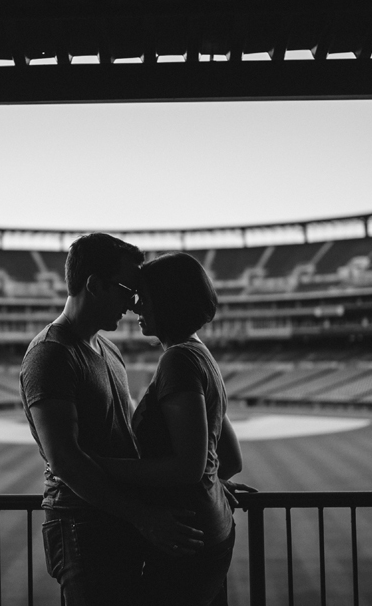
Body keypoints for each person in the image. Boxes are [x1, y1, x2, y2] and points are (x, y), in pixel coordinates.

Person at [20, 233, 205, 606]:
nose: (134, 302)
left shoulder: (107, 348)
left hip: (114, 519)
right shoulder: (50, 355)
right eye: (127, 289)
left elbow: (129, 435)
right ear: (94, 285)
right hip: (82, 525)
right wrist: (144, 517)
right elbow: (65, 460)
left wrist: (203, 479)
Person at [92, 251, 249, 606]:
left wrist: (102, 465)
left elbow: (189, 467)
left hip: (185, 540)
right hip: (213, 529)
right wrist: (213, 482)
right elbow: (231, 459)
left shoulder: (177, 360)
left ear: (166, 302)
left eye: (144, 298)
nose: (135, 308)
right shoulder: (200, 355)